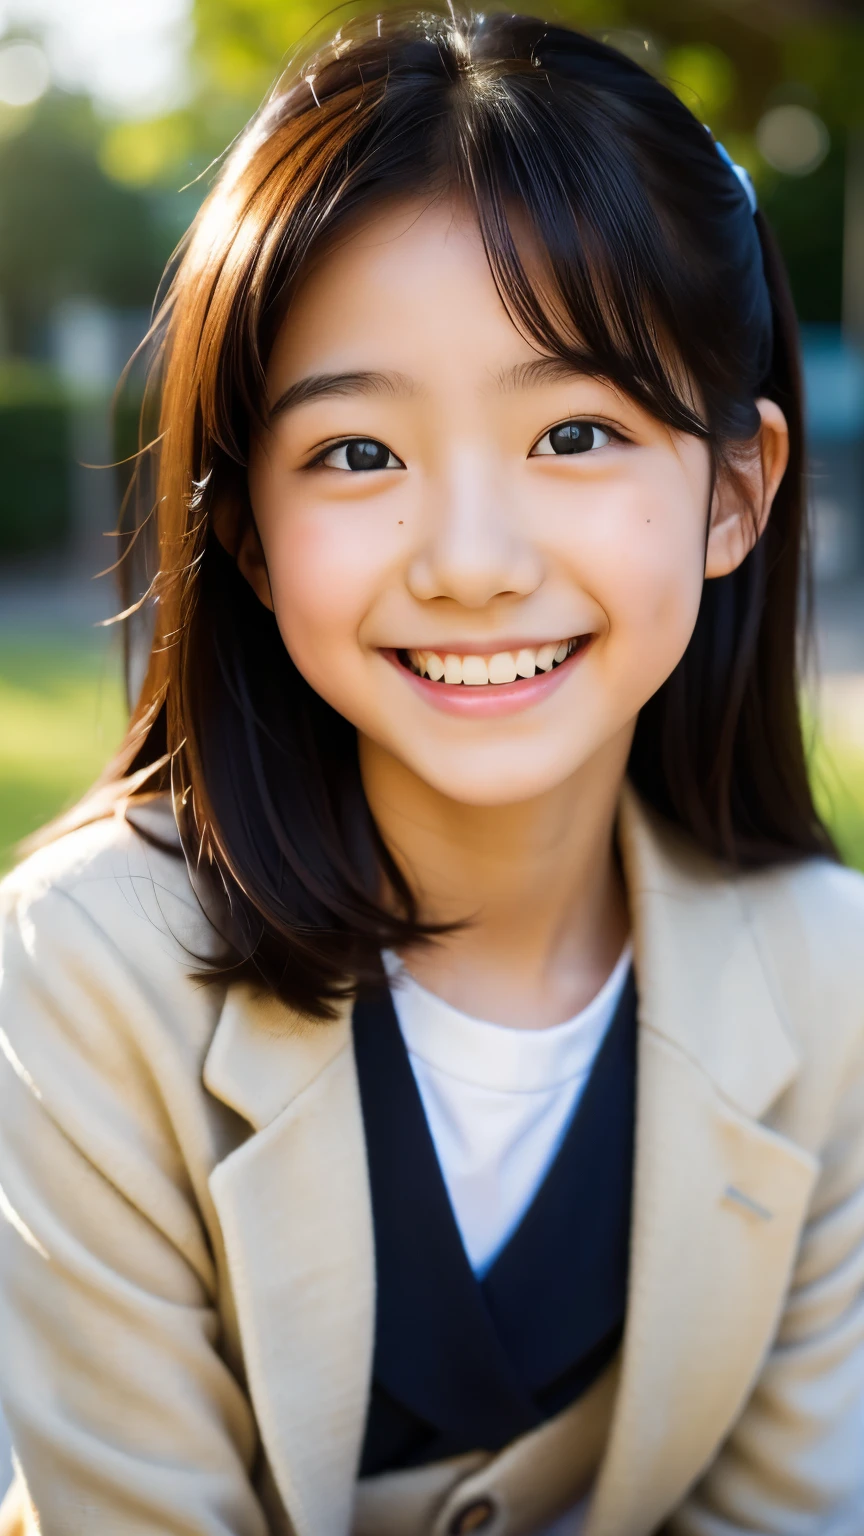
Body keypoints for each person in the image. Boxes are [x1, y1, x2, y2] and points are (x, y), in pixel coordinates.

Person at [1, 10, 863, 1534]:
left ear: (736, 493)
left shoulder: (831, 983)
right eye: (357, 455)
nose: (472, 563)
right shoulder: (86, 971)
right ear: (250, 532)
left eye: (578, 431)